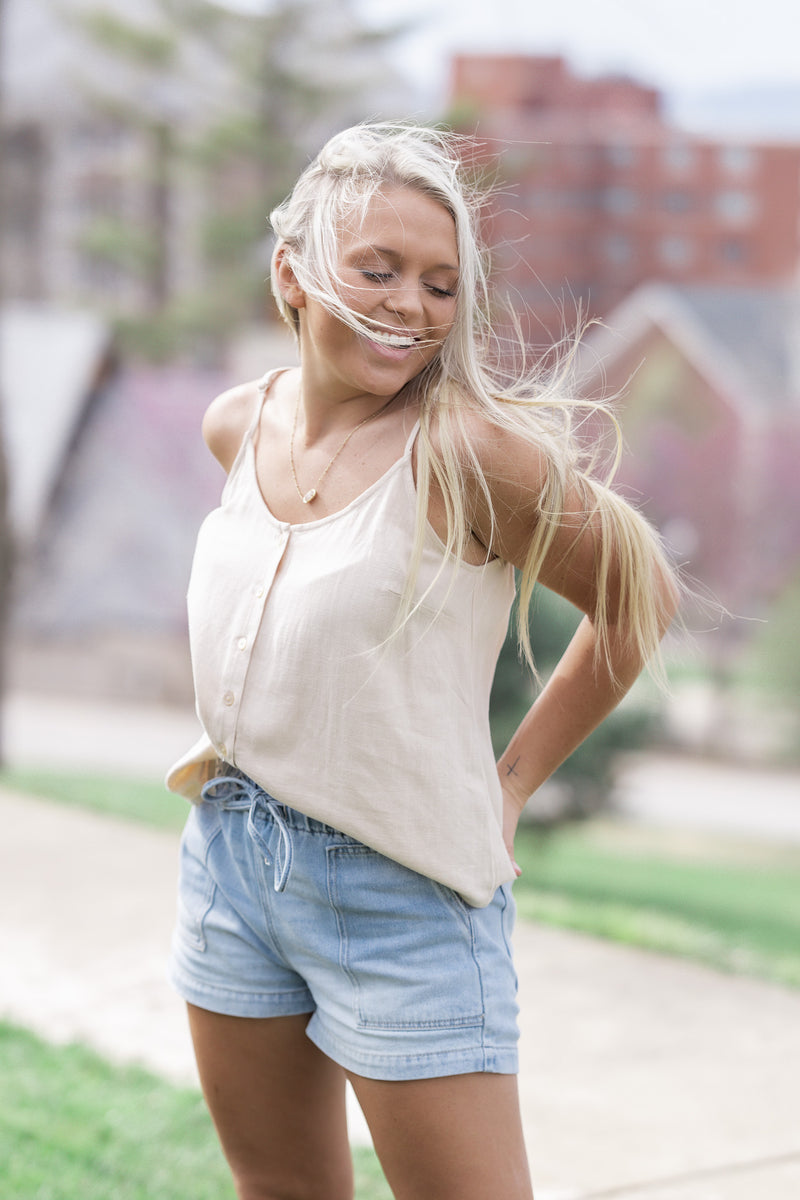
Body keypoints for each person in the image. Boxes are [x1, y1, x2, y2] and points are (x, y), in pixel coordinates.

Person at [165, 121, 679, 1200]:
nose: (411, 306)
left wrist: (512, 782)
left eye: (442, 285)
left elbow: (639, 602)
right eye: (379, 270)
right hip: (228, 859)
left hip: (401, 895)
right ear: (292, 274)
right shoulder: (235, 425)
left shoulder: (464, 454)